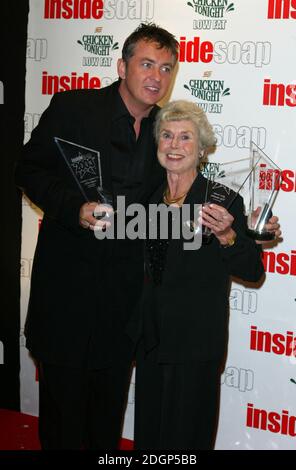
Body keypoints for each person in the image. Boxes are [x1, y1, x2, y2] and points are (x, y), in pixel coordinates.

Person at [15, 23, 179, 450]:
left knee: (106, 423)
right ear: (121, 66)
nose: (155, 77)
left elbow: (185, 199)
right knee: (63, 423)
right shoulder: (74, 109)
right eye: (146, 64)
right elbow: (27, 170)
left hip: (122, 307)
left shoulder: (168, 130)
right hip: (66, 297)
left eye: (165, 68)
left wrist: (239, 224)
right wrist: (75, 208)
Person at [127, 100, 266, 450]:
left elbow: (252, 269)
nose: (174, 145)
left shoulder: (221, 199)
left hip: (194, 343)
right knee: (150, 435)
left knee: (186, 439)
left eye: (185, 137)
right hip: (149, 338)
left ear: (202, 149)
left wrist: (227, 236)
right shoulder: (145, 200)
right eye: (167, 136)